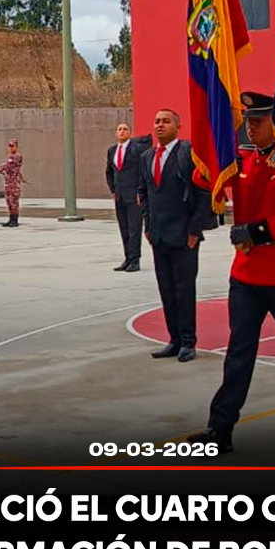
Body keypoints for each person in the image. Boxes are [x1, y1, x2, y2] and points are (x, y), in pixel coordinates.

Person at [188, 93, 275, 453]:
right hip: (248, 272)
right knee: (239, 351)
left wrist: (257, 232)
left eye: (259, 121)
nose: (250, 126)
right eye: (248, 121)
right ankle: (220, 428)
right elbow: (203, 180)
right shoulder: (245, 160)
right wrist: (216, 154)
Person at [138, 108, 210, 362]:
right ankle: (174, 339)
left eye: (166, 121)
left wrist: (194, 230)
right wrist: (147, 226)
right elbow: (144, 193)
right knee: (166, 290)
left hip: (184, 237)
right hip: (158, 236)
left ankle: (188, 342)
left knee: (184, 290)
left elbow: (203, 193)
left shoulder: (188, 153)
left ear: (177, 126)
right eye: (157, 121)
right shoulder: (147, 156)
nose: (160, 125)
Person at [105, 123, 150, 272]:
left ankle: (135, 260)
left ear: (130, 133)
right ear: (116, 133)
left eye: (125, 129)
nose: (122, 131)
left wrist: (141, 192)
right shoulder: (112, 151)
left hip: (134, 195)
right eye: (119, 129)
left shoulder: (136, 150)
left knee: (134, 229)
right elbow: (109, 172)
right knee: (124, 228)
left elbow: (143, 170)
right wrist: (113, 190)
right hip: (120, 195)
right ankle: (127, 258)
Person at [0, 139, 23, 227]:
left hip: (14, 183)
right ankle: (11, 219)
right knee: (9, 202)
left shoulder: (17, 156)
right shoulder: (10, 156)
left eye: (12, 146)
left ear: (16, 146)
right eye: (9, 146)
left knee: (13, 202)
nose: (10, 148)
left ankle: (15, 220)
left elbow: (7, 166)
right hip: (8, 183)